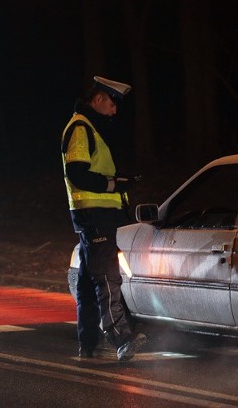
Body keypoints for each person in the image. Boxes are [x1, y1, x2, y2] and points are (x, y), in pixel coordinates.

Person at [61, 76, 146, 362]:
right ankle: (121, 337)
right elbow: (77, 173)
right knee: (108, 277)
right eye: (112, 103)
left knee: (87, 280)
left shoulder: (88, 127)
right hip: (94, 214)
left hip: (96, 215)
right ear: (98, 99)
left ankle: (89, 344)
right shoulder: (80, 128)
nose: (114, 110)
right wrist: (114, 184)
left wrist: (118, 182)